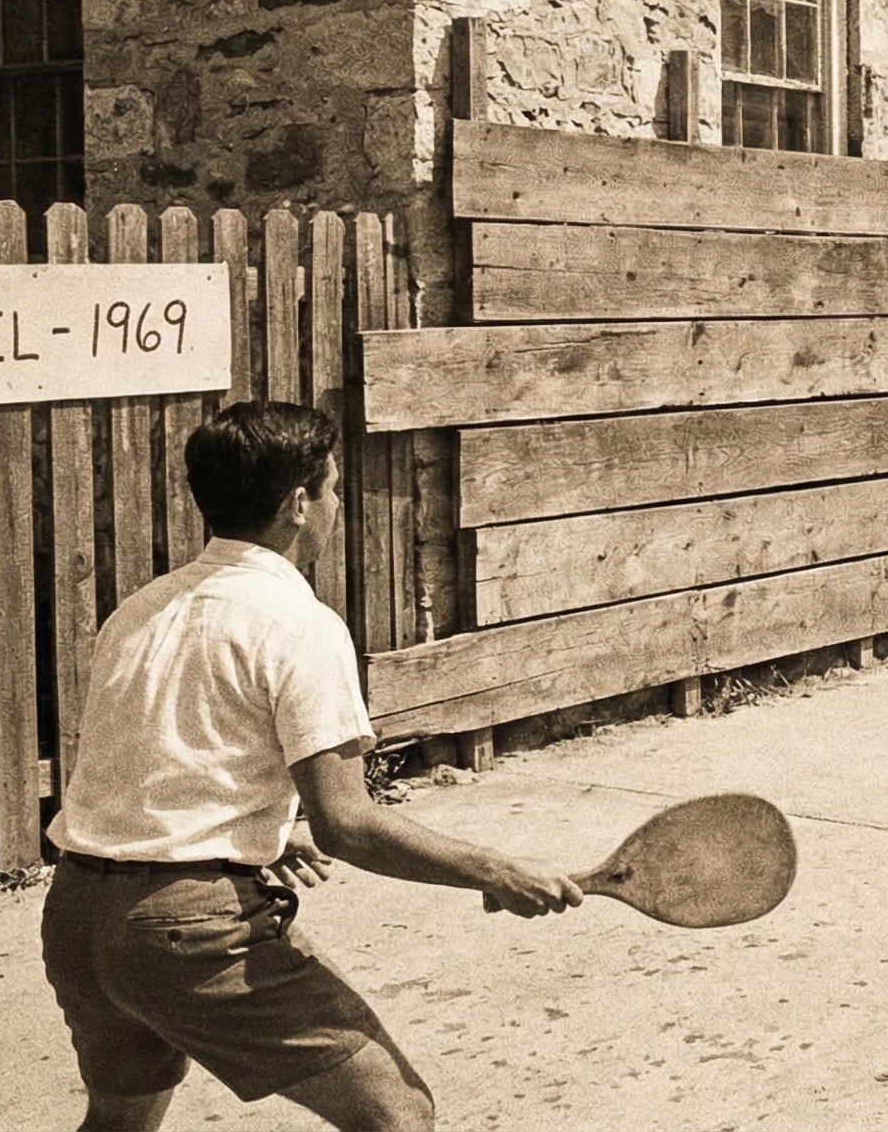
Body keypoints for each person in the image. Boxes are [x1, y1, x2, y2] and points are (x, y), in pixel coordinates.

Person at [42, 401, 583, 1132]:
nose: (335, 507)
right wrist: (494, 870)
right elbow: (349, 826)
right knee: (397, 1113)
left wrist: (259, 826)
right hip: (188, 936)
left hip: (77, 917)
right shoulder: (300, 626)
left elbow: (150, 767)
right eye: (330, 490)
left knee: (118, 1123)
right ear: (299, 504)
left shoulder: (138, 611)